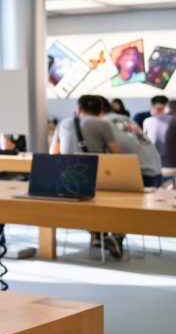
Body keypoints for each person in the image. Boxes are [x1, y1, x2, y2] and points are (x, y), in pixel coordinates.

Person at [51, 94, 125, 258]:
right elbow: (117, 153)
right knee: (120, 194)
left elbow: (53, 153)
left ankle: (98, 234)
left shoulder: (63, 123)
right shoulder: (103, 124)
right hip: (94, 182)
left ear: (78, 109)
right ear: (100, 111)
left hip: (67, 183)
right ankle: (114, 235)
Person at [143, 95, 174, 173]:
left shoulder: (148, 121)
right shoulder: (148, 121)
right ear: (151, 107)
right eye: (159, 109)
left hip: (157, 167)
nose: (163, 114)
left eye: (164, 110)